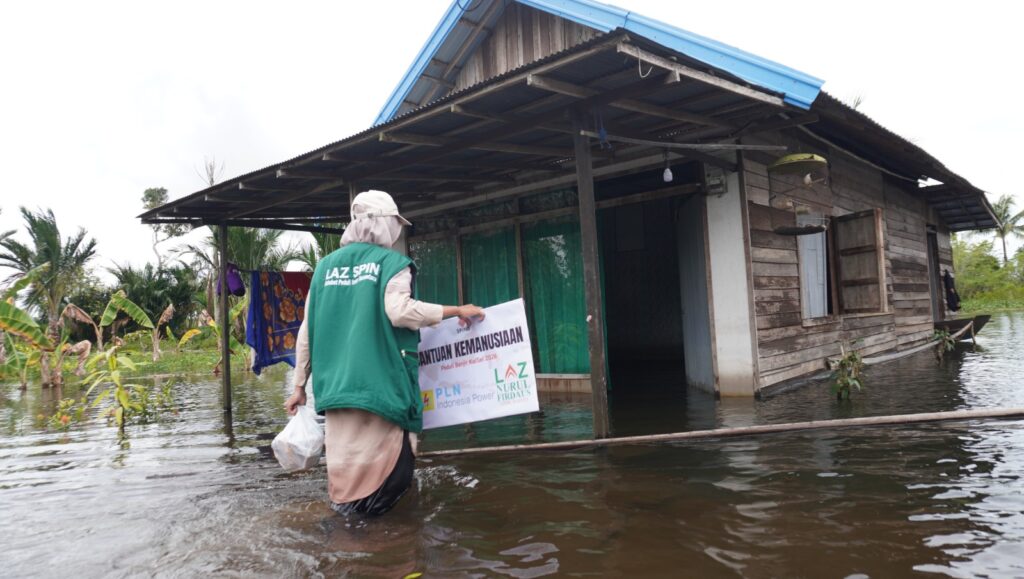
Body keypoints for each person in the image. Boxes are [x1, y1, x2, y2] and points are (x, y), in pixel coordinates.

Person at [285, 190, 484, 516]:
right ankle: (384, 543)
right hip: (382, 390)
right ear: (382, 224)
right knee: (387, 478)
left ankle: (341, 539)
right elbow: (400, 311)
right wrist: (455, 310)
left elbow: (308, 331)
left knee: (346, 482)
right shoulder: (393, 264)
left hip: (336, 391)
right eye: (395, 224)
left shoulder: (323, 270)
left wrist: (298, 387)